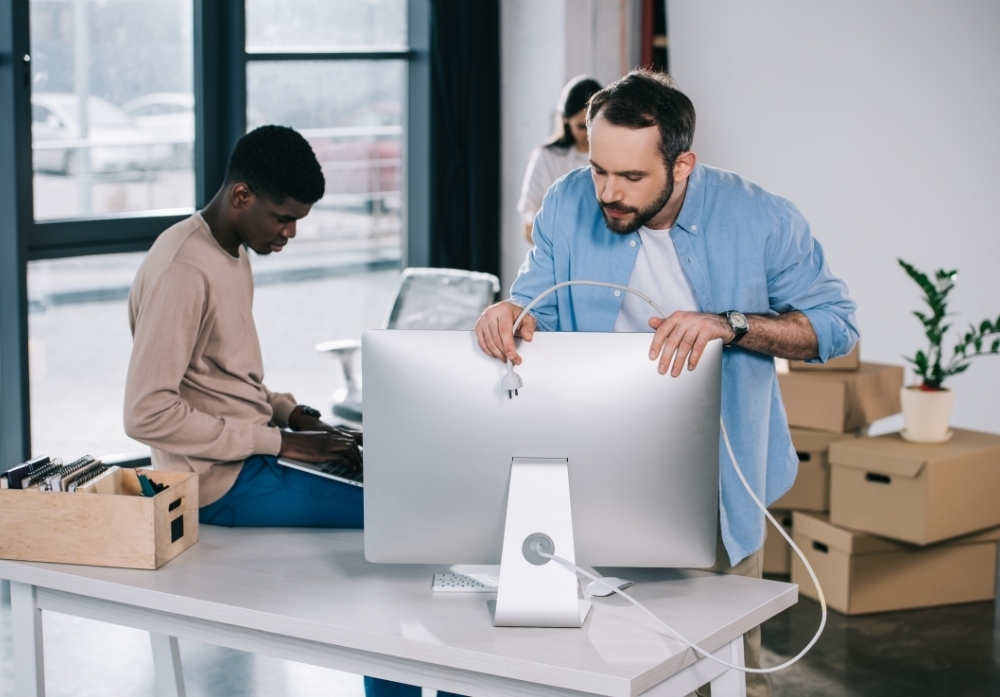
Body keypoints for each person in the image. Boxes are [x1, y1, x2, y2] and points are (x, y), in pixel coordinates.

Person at [476, 70, 858, 697]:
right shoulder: (567, 201)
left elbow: (835, 328)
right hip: (591, 470)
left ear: (683, 166)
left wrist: (729, 325)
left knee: (725, 671)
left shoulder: (761, 218)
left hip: (715, 475)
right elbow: (533, 304)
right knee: (591, 666)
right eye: (600, 169)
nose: (608, 192)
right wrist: (507, 316)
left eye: (632, 178)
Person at [124, 125, 459, 697]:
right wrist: (279, 443)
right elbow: (146, 413)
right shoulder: (184, 268)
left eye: (299, 219)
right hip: (220, 482)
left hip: (253, 454)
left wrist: (293, 414)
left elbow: (223, 377)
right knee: (410, 519)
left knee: (413, 478)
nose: (291, 232)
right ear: (240, 196)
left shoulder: (229, 249)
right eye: (283, 217)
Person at [517, 75, 602, 244]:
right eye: (581, 126)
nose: (588, 134)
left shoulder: (618, 156)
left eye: (594, 125)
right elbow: (529, 226)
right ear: (565, 119)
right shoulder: (546, 158)